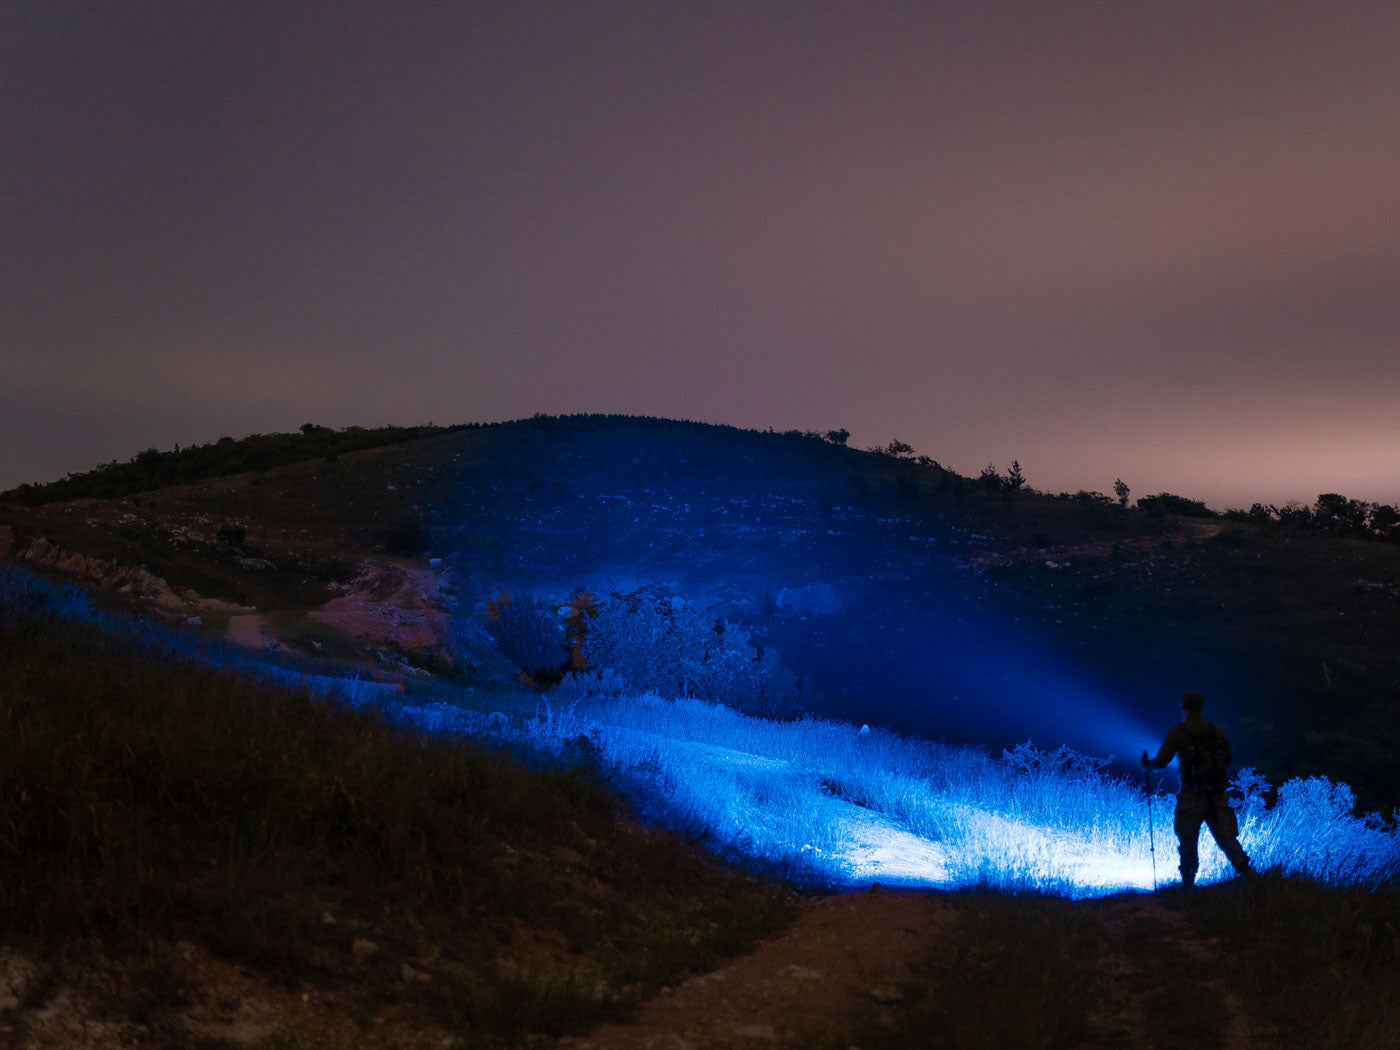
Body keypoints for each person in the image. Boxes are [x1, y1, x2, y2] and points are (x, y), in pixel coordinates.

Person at [1141, 691, 1253, 887]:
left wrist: (1147, 765)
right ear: (1201, 708)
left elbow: (1161, 762)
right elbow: (1228, 758)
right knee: (1226, 837)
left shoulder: (1178, 732)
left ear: (1183, 709)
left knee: (1188, 839)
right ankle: (1248, 874)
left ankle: (1188, 884)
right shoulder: (1218, 731)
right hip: (1217, 795)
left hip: (1191, 796)